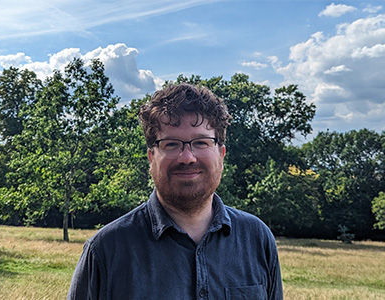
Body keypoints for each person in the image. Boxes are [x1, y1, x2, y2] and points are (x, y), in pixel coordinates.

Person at [67, 83, 283, 300]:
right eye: (171, 144)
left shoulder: (257, 238)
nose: (187, 157)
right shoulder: (105, 250)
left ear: (221, 155)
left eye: (201, 142)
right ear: (152, 158)